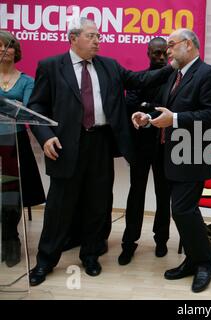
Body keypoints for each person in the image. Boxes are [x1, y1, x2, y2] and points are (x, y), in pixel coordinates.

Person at [26, 17, 174, 286]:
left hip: (101, 143)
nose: (97, 41)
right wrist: (45, 136)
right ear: (73, 38)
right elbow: (36, 107)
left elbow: (141, 78)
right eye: (91, 36)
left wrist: (173, 66)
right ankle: (45, 261)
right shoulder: (50, 67)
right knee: (59, 206)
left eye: (98, 36)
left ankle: (91, 255)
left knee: (98, 203)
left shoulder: (109, 66)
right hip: (65, 145)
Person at [132, 28, 211, 293]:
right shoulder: (175, 75)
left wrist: (173, 119)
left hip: (194, 153)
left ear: (188, 44)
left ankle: (205, 263)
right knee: (184, 211)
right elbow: (165, 110)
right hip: (172, 154)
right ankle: (193, 260)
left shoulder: (209, 74)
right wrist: (147, 118)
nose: (168, 51)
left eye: (172, 45)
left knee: (183, 210)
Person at [118, 37, 171, 265]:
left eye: (163, 54)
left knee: (163, 196)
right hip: (141, 147)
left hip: (164, 147)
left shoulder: (173, 79)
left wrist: (146, 106)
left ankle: (161, 240)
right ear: (148, 53)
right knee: (136, 195)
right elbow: (131, 105)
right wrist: (152, 107)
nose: (159, 58)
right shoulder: (139, 78)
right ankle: (129, 243)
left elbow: (172, 108)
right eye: (155, 53)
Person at [0, 30, 46, 268]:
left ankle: (12, 240)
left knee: (11, 195)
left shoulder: (28, 81)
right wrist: (11, 107)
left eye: (7, 46)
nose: (2, 50)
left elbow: (27, 112)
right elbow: (14, 108)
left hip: (14, 143)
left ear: (15, 51)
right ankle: (5, 239)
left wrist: (12, 109)